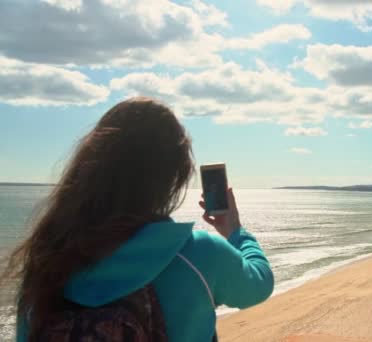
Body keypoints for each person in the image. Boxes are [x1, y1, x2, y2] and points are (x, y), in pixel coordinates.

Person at [3, 97, 274, 341]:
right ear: (173, 178)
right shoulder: (197, 255)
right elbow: (259, 284)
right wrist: (235, 231)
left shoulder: (50, 257)